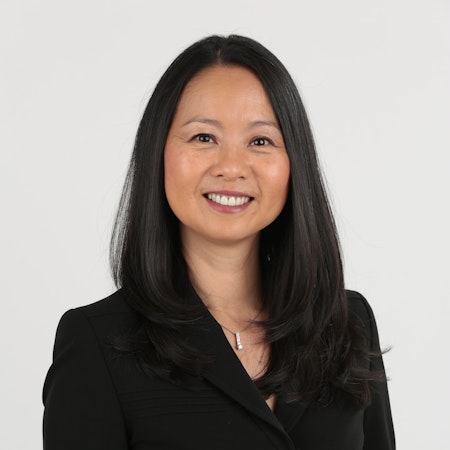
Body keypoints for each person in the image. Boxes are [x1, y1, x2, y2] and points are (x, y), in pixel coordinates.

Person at [42, 34, 395, 449]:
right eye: (203, 138)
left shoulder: (347, 323)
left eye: (260, 141)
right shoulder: (97, 343)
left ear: (294, 162)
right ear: (158, 153)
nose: (231, 167)